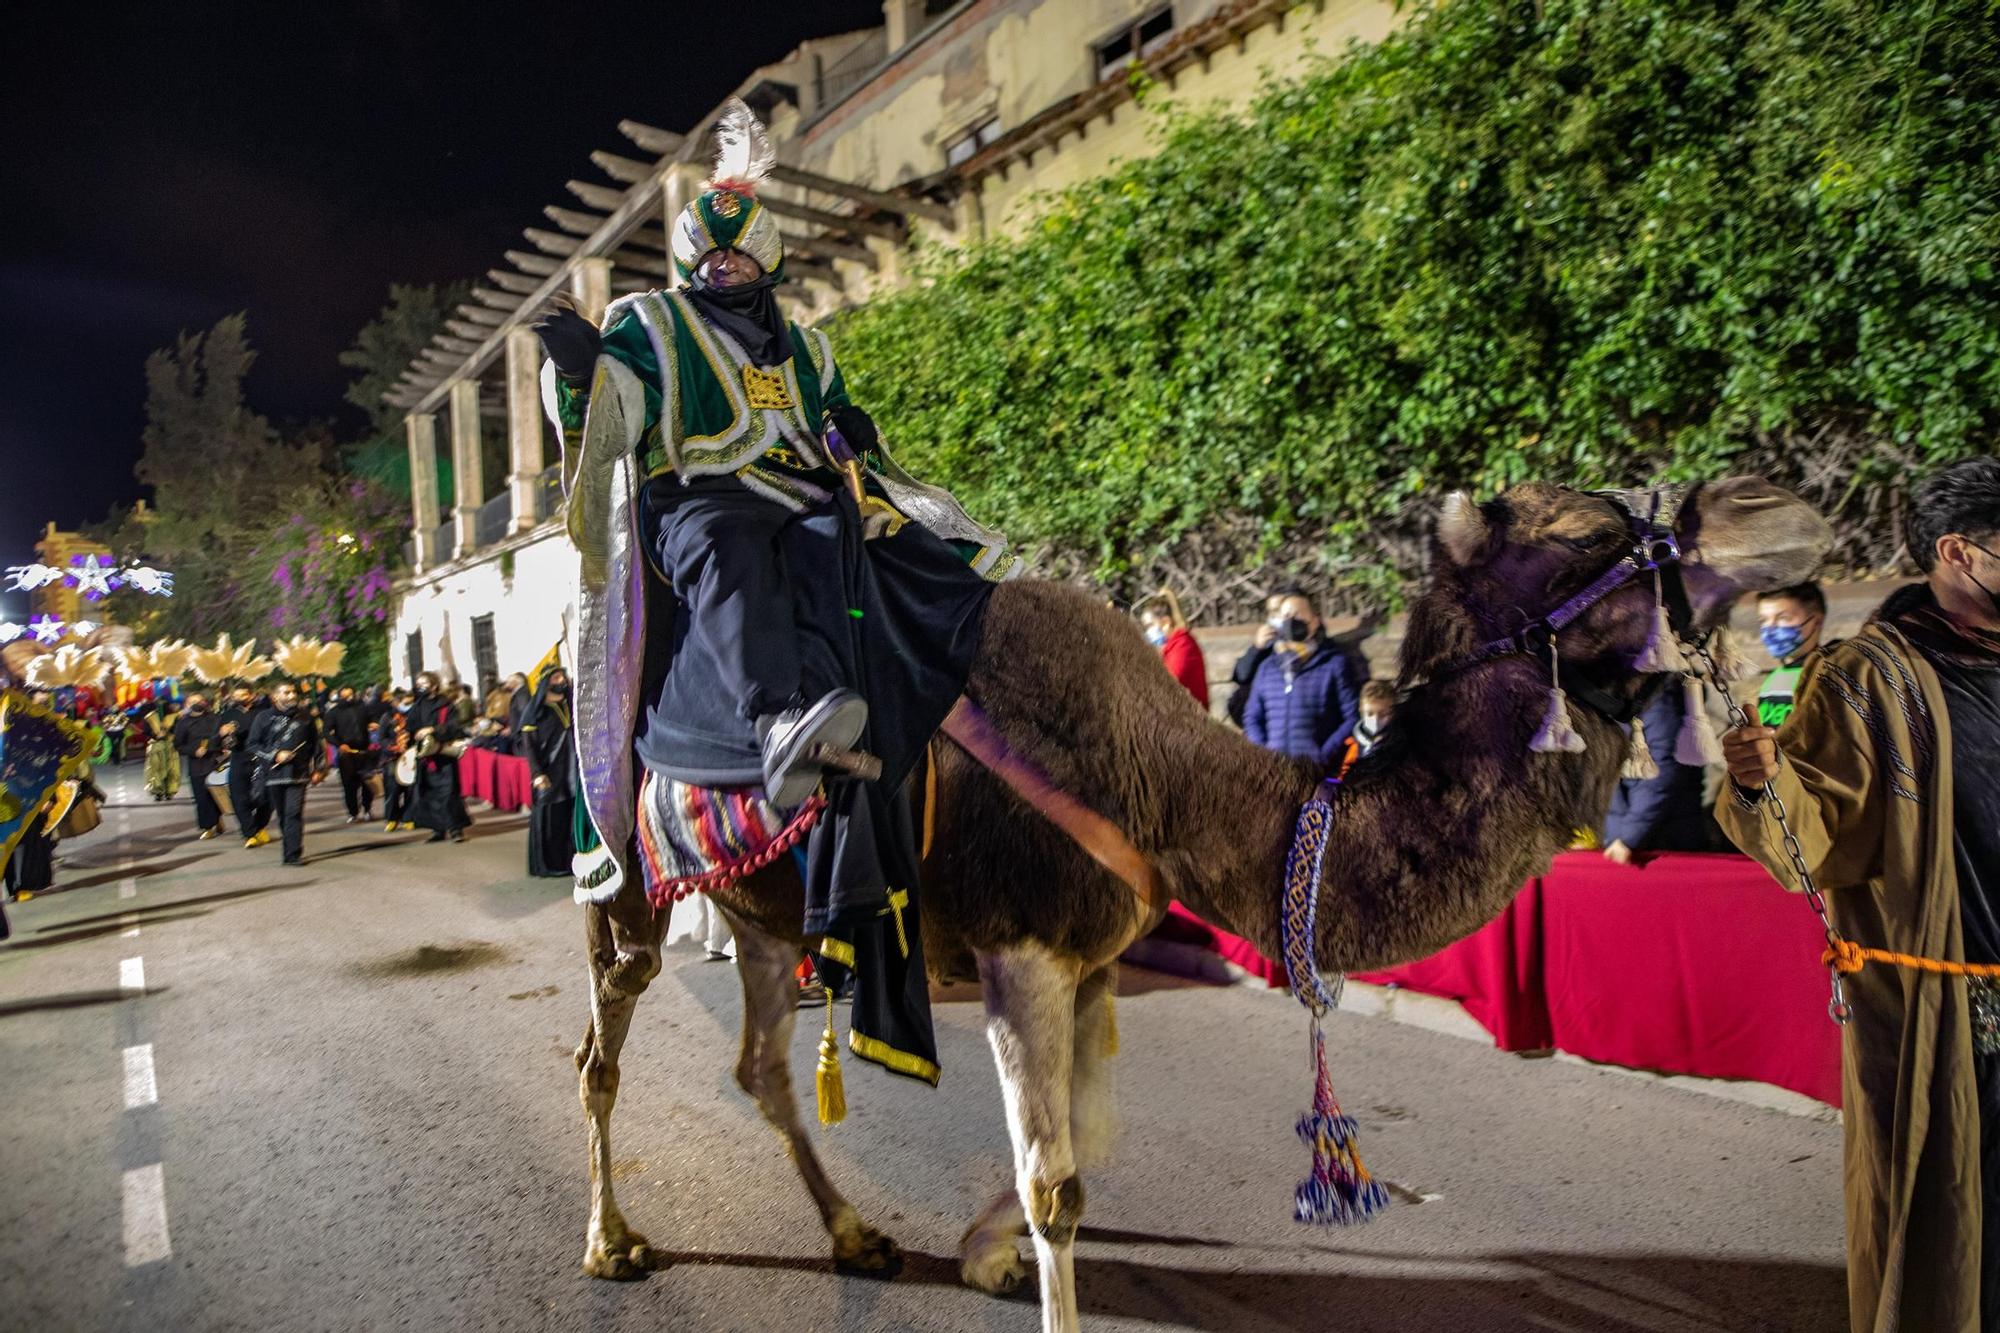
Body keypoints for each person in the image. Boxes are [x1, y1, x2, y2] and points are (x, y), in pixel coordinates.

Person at [535, 99, 1015, 1086]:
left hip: (797, 505)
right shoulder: (649, 325)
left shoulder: (807, 348)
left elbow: (831, 425)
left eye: (740, 263)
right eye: (710, 265)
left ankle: (943, 738)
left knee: (897, 552)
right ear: (685, 269)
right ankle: (774, 720)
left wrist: (850, 433)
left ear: (769, 265)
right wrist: (578, 377)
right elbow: (612, 418)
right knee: (732, 546)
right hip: (693, 508)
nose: (726, 275)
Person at [1718, 456, 2000, 1330]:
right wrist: (1761, 783)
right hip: (1953, 1010)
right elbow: (1815, 835)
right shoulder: (1870, 678)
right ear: (1961, 552)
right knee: (1965, 1241)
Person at [1241, 590, 1363, 769]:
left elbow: (1352, 716)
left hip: (1316, 771)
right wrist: (1263, 753)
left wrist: (1323, 754)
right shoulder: (1268, 667)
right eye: (1286, 616)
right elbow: (1252, 716)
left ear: (1314, 622)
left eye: (1297, 614)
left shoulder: (1333, 664)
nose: (1291, 620)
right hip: (1274, 770)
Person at [1600, 683, 1712, 863]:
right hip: (1622, 842)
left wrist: (1630, 837)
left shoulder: (1661, 700)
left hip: (1662, 843)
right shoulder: (1612, 699)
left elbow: (1663, 772)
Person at [247, 682, 323, 867]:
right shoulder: (263, 717)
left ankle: (292, 854)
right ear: (275, 697)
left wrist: (319, 769)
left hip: (299, 773)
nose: (291, 695)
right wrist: (275, 755)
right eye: (286, 692)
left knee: (294, 812)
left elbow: (317, 744)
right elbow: (253, 745)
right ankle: (289, 844)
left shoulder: (306, 717)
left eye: (293, 692)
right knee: (283, 815)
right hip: (273, 775)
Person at [518, 668, 576, 877]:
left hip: (571, 770)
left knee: (568, 817)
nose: (561, 680)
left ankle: (569, 860)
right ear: (545, 682)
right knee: (549, 819)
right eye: (555, 677)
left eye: (562, 676)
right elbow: (529, 747)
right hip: (549, 772)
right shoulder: (535, 711)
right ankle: (548, 865)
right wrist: (537, 773)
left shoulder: (569, 705)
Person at [1755, 581, 1830, 728]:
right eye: (1763, 620)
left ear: (1816, 622)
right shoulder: (1774, 679)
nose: (1770, 629)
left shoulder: (1828, 673)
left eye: (1783, 618)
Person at [406, 672, 471, 843]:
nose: (420, 686)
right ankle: (437, 829)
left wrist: (433, 730)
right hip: (425, 757)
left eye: (424, 683)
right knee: (428, 794)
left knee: (449, 793)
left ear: (434, 686)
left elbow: (455, 726)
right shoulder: (417, 706)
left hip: (444, 756)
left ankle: (456, 829)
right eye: (418, 683)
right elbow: (409, 728)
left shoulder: (446, 706)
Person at [218, 686, 273, 847]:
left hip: (261, 758)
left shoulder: (264, 712)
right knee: (238, 797)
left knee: (267, 797)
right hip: (238, 758)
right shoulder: (227, 715)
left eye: (243, 694)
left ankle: (259, 826)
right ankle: (249, 833)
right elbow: (216, 741)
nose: (239, 698)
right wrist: (223, 734)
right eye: (236, 696)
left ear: (252, 695)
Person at [1226, 594, 1285, 728]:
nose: (1275, 617)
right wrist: (1257, 648)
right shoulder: (1267, 645)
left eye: (1278, 610)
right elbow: (1242, 675)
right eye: (1271, 612)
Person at [1138, 596, 1209, 708]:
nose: (1148, 631)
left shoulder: (1183, 645)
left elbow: (1170, 682)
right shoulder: (1170, 646)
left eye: (1150, 625)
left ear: (1166, 622)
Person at [173, 692, 224, 840]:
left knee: (216, 795)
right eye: (193, 701)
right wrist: (194, 751)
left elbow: (221, 737)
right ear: (187, 704)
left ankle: (217, 819)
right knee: (201, 797)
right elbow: (178, 745)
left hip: (215, 761)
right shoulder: (183, 722)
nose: (198, 703)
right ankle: (208, 827)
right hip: (197, 765)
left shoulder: (215, 718)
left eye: (200, 700)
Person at [325, 685, 377, 823]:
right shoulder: (334, 712)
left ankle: (367, 809)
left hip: (364, 750)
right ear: (340, 697)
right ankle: (353, 812)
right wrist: (339, 744)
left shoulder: (362, 708)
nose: (349, 698)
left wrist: (372, 724)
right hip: (346, 753)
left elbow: (371, 719)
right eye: (345, 696)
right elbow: (327, 732)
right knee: (349, 784)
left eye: (351, 695)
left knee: (367, 783)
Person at [376, 691, 418, 832]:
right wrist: (394, 746)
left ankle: (408, 817)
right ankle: (392, 818)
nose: (409, 706)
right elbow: (381, 739)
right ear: (396, 702)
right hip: (392, 758)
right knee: (392, 789)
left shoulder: (414, 716)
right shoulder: (387, 718)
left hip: (411, 756)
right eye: (406, 703)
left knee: (411, 789)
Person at [140, 699, 179, 801]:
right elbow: (146, 731)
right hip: (156, 747)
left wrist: (168, 731)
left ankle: (169, 791)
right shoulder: (150, 717)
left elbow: (178, 729)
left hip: (170, 746)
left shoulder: (174, 717)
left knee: (171, 769)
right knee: (156, 769)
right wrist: (156, 735)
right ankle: (158, 791)